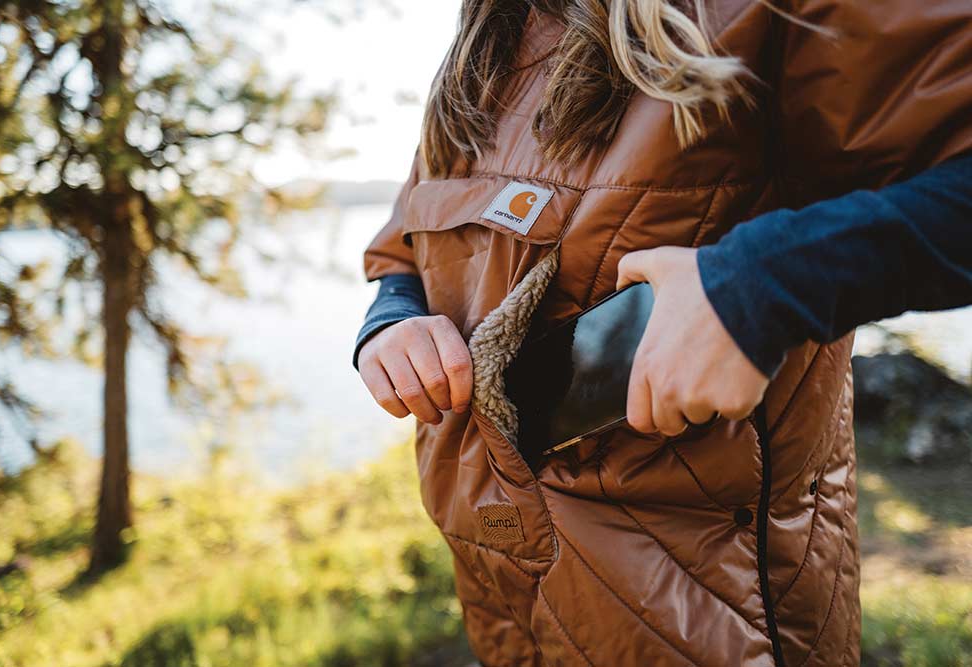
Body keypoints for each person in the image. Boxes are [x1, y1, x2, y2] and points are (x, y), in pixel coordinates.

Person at [354, 2, 972, 665]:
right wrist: (391, 319)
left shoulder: (754, 14)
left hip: (710, 621)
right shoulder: (480, 51)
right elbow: (404, 247)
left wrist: (761, 286)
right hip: (505, 606)